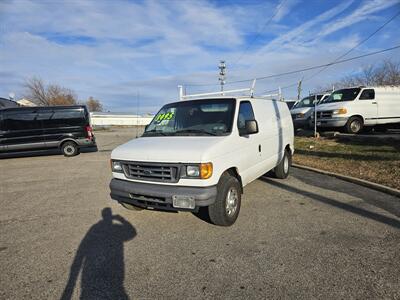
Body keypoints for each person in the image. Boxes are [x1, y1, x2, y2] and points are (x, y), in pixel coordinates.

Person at [61, 208, 136, 300]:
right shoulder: (102, 226)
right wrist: (122, 220)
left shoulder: (95, 226)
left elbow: (82, 248)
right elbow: (132, 233)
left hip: (88, 276)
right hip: (114, 273)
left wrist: (73, 277)